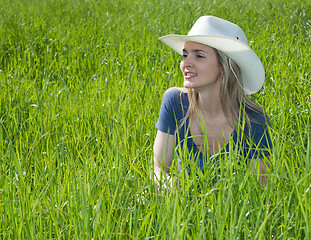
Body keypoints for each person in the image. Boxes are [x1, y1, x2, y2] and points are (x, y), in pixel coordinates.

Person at [153, 16, 272, 188]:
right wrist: (172, 187)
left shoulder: (253, 121)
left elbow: (261, 191)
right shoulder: (175, 102)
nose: (186, 63)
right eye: (185, 55)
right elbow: (158, 169)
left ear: (225, 66)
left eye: (199, 56)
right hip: (182, 209)